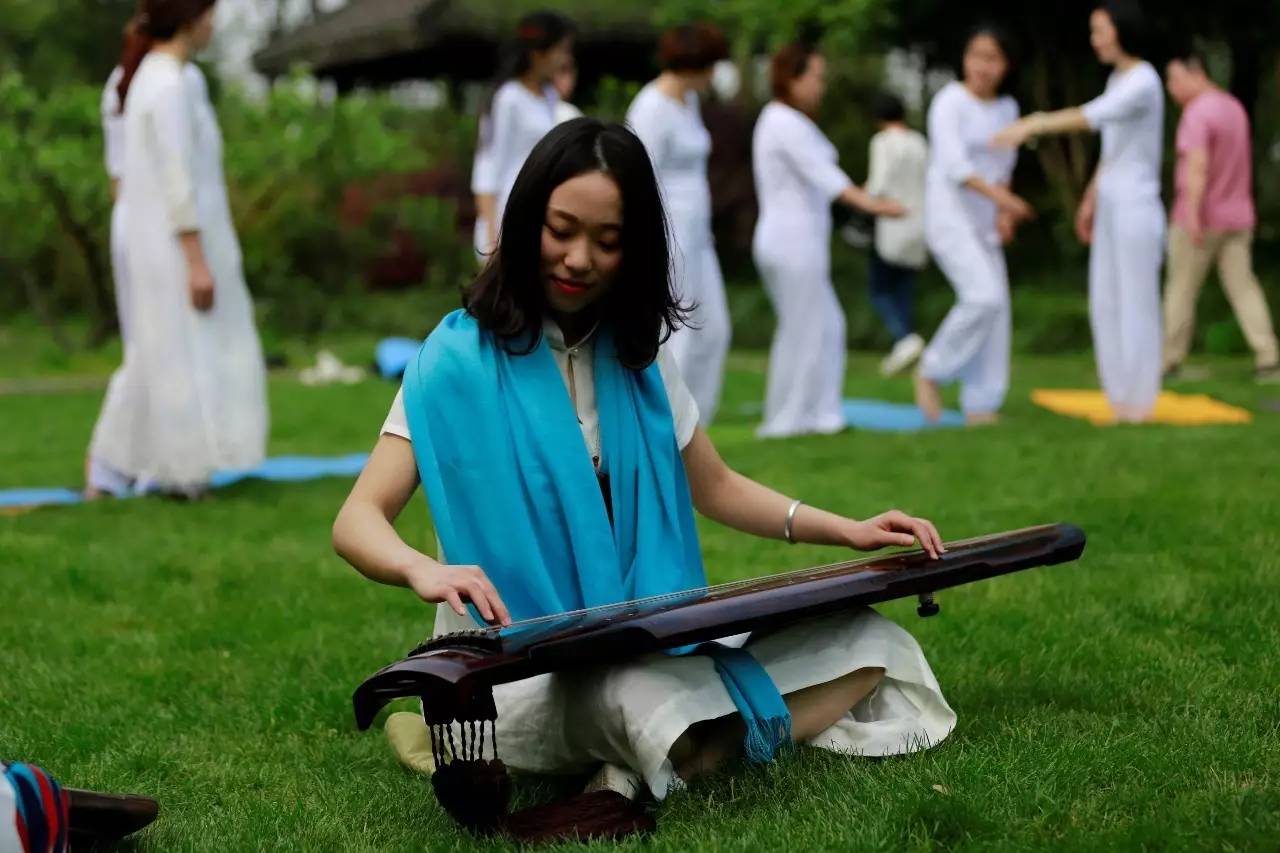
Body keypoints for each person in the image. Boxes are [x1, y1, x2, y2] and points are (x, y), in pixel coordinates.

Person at [333, 118, 954, 804]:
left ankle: (678, 755)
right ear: (525, 218)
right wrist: (424, 568)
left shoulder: (636, 357)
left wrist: (851, 530)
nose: (578, 259)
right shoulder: (454, 362)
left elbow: (715, 486)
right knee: (637, 696)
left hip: (638, 635)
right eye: (560, 230)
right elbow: (358, 518)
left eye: (607, 241)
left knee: (869, 640)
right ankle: (686, 749)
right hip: (513, 669)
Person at [86, 0, 268, 498]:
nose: (214, 23)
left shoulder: (169, 77)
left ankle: (128, 471)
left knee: (166, 352)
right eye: (209, 12)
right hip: (170, 242)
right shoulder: (165, 83)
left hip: (170, 237)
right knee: (170, 353)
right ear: (190, 19)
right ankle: (163, 471)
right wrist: (195, 259)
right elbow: (175, 177)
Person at [995, 1, 1165, 422]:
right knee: (1106, 300)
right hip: (1110, 201)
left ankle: (1140, 402)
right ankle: (1120, 398)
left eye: (1100, 30)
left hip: (1136, 204)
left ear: (1122, 30)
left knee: (1136, 301)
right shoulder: (1117, 79)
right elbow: (1112, 148)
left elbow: (1094, 117)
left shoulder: (1143, 80)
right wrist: (1090, 198)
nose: (1095, 39)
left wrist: (1035, 123)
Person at [752, 43, 905, 438]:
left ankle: (822, 415)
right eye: (815, 76)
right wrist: (876, 207)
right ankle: (786, 421)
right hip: (791, 241)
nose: (822, 85)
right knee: (802, 329)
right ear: (792, 79)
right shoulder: (782, 121)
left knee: (828, 325)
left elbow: (829, 179)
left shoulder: (794, 122)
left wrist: (871, 197)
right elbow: (828, 179)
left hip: (800, 241)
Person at [913, 26, 1032, 426]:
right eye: (976, 55)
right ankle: (932, 369)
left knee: (998, 312)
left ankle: (982, 403)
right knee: (983, 297)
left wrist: (1002, 213)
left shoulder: (1008, 108)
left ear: (1006, 65)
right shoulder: (949, 102)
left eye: (992, 58)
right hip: (949, 217)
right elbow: (956, 168)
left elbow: (1003, 168)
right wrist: (1007, 203)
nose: (983, 66)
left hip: (984, 221)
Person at [626, 23, 732, 425]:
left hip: (698, 231)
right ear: (695, 64)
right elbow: (637, 175)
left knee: (714, 329)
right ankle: (664, 424)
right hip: (669, 230)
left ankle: (696, 425)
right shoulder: (650, 106)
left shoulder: (688, 102)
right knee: (679, 334)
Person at [1161, 49, 1279, 383]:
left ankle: (1170, 360)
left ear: (1196, 73)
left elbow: (1197, 166)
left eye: (1175, 79)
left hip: (1201, 217)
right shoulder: (1233, 108)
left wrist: (1193, 216)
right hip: (1238, 216)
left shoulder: (1197, 113)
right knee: (1244, 288)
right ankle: (1268, 357)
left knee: (1181, 289)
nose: (1172, 88)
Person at [472, 11, 575, 258]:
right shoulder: (509, 98)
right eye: (561, 50)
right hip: (509, 209)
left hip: (542, 206)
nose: (565, 59)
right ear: (538, 54)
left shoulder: (549, 98)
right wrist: (491, 232)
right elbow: (489, 165)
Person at [865, 91, 929, 378]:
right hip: (919, 225)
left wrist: (857, 197)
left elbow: (877, 186)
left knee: (879, 290)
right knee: (904, 291)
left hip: (891, 224)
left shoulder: (882, 142)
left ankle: (904, 339)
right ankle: (906, 351)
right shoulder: (919, 142)